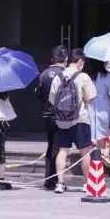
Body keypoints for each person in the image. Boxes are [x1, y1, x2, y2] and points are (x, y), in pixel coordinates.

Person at [48, 48, 96, 194]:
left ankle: (60, 183)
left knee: (62, 151)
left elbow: (52, 99)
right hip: (80, 119)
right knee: (84, 152)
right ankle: (88, 183)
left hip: (62, 120)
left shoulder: (58, 76)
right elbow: (90, 98)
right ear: (80, 60)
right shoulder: (83, 77)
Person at [35, 46, 67, 190]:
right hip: (60, 115)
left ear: (52, 59)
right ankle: (53, 180)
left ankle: (49, 178)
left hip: (46, 113)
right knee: (58, 147)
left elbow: (38, 93)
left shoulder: (43, 74)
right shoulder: (65, 74)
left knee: (51, 146)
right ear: (66, 59)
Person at [85, 58, 110, 164]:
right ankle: (106, 153)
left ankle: (100, 165)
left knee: (98, 136)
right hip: (105, 105)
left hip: (90, 106)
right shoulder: (107, 76)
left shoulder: (87, 76)